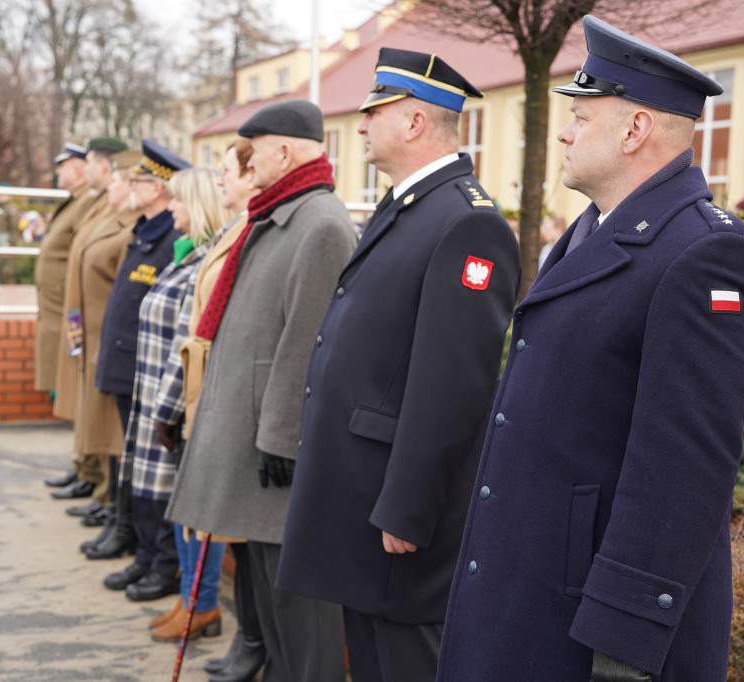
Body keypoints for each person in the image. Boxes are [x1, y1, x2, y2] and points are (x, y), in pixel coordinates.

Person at [436, 15, 744, 681]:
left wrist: (623, 646)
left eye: (581, 117)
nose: (563, 131)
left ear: (634, 130)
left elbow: (683, 471)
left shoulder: (703, 255)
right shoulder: (595, 231)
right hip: (529, 594)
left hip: (588, 627)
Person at [275, 48, 520, 682]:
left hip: (395, 506)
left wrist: (409, 507)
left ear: (413, 122)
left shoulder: (467, 223)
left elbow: (453, 385)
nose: (360, 126)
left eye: (373, 112)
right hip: (364, 487)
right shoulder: (408, 204)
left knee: (403, 661)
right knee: (372, 655)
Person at [166, 99, 355, 682]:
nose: (245, 163)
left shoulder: (319, 223)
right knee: (274, 612)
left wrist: (280, 436)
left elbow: (307, 339)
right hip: (249, 435)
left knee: (299, 613)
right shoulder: (279, 211)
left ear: (285, 151)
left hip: (274, 445)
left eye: (252, 151)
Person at [157, 139, 268, 676]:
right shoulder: (233, 229)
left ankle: (238, 633)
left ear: (253, 174)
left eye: (227, 169)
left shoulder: (254, 231)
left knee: (237, 537)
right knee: (212, 525)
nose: (219, 178)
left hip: (230, 400)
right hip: (205, 390)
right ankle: (228, 628)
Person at [112, 165, 235, 638]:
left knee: (195, 512)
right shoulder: (184, 254)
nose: (173, 209)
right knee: (182, 509)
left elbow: (190, 338)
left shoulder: (205, 258)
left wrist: (168, 408)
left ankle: (201, 603)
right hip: (168, 397)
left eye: (181, 201)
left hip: (187, 401)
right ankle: (191, 601)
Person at [92, 141, 187, 588]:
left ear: (161, 189)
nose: (132, 187)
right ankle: (145, 553)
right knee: (136, 468)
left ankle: (161, 559)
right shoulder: (144, 232)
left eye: (140, 180)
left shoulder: (171, 238)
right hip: (126, 364)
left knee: (155, 474)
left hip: (147, 373)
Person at [56, 147, 143, 555]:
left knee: (113, 433)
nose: (111, 185)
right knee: (100, 427)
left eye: (120, 180)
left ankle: (114, 510)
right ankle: (107, 505)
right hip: (89, 334)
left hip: (111, 343)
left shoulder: (132, 227)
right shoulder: (109, 215)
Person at [48, 137, 130, 504]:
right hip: (80, 317)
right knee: (83, 397)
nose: (94, 170)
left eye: (93, 162)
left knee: (100, 409)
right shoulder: (98, 203)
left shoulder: (112, 208)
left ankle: (102, 489)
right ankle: (89, 471)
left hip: (100, 328)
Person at [34, 143, 91, 399]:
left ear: (79, 171)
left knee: (65, 358)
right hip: (56, 302)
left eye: (63, 168)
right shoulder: (77, 200)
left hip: (65, 303)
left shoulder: (86, 201)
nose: (58, 174)